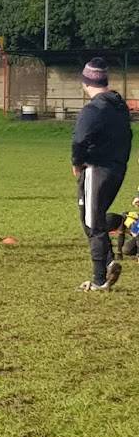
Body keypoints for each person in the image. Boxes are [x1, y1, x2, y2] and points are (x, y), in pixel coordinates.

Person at [72, 57, 132, 292]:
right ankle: (108, 263)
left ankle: (99, 279)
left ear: (86, 82)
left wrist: (77, 162)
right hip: (117, 168)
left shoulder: (94, 108)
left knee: (92, 222)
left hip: (96, 168)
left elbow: (79, 138)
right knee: (92, 217)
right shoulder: (120, 106)